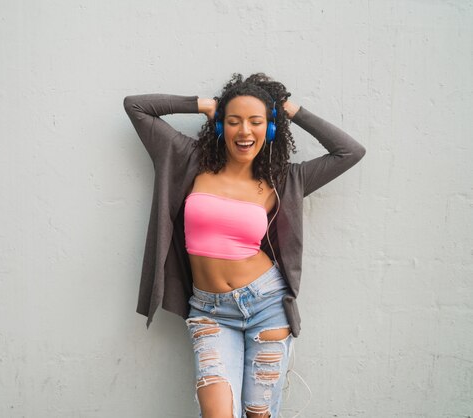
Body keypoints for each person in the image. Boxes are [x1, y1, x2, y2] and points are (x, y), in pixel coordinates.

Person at [123, 73, 366, 418]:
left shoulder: (283, 179)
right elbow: (136, 107)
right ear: (221, 126)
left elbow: (350, 151)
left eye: (256, 122)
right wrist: (203, 105)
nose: (244, 131)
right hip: (209, 312)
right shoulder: (189, 159)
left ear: (269, 129)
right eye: (234, 121)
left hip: (266, 305)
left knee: (258, 415)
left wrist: (289, 110)